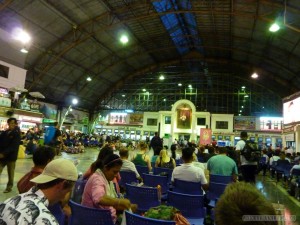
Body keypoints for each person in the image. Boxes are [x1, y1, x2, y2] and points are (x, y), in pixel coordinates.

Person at [0, 158, 78, 224]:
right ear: (61, 185)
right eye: (68, 191)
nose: (64, 196)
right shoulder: (45, 220)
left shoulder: (9, 202)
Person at [81, 154, 137, 224]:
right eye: (114, 172)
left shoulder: (105, 179)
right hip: (96, 221)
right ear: (105, 168)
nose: (116, 175)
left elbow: (108, 205)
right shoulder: (97, 179)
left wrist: (126, 207)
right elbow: (99, 198)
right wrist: (119, 202)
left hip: (102, 218)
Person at [0, 117, 21, 193]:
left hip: (11, 157)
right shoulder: (4, 132)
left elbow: (13, 146)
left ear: (15, 124)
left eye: (13, 123)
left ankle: (9, 187)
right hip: (2, 157)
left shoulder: (17, 134)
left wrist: (3, 153)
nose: (12, 124)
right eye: (10, 123)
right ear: (8, 123)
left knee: (10, 173)